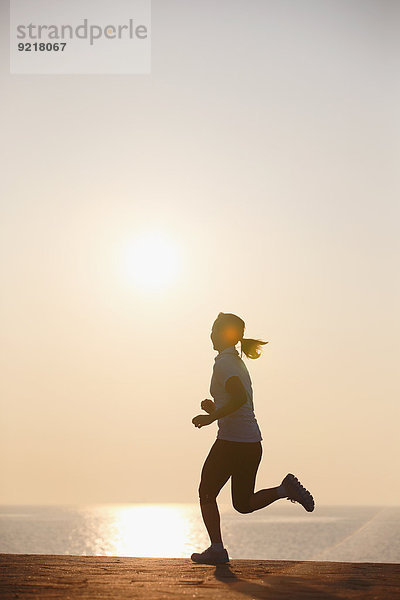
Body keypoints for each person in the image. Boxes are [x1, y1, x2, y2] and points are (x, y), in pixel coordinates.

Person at [191, 312, 314, 565]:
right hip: (250, 443)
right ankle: (284, 489)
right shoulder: (236, 363)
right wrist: (214, 409)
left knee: (206, 492)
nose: (210, 334)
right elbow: (236, 404)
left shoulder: (224, 363)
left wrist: (212, 419)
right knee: (243, 504)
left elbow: (238, 400)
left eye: (214, 329)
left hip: (231, 442)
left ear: (225, 334)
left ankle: (217, 549)